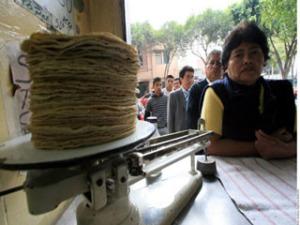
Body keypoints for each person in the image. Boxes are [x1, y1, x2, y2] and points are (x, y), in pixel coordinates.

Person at [200, 21, 296, 159]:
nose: (247, 60)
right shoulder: (216, 93)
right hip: (233, 177)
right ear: (226, 64)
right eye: (238, 55)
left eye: (254, 52)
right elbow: (209, 145)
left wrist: (289, 149)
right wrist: (259, 147)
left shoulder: (283, 91)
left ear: (264, 59)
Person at [187, 49, 222, 129]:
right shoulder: (196, 89)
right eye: (212, 62)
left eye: (219, 63)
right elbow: (192, 120)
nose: (215, 66)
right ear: (205, 67)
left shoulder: (227, 88)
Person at [168, 66, 194, 133]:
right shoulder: (173, 95)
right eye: (187, 76)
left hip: (194, 133)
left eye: (192, 77)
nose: (190, 79)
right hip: (180, 134)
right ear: (181, 79)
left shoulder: (196, 93)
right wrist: (172, 137)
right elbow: (170, 119)